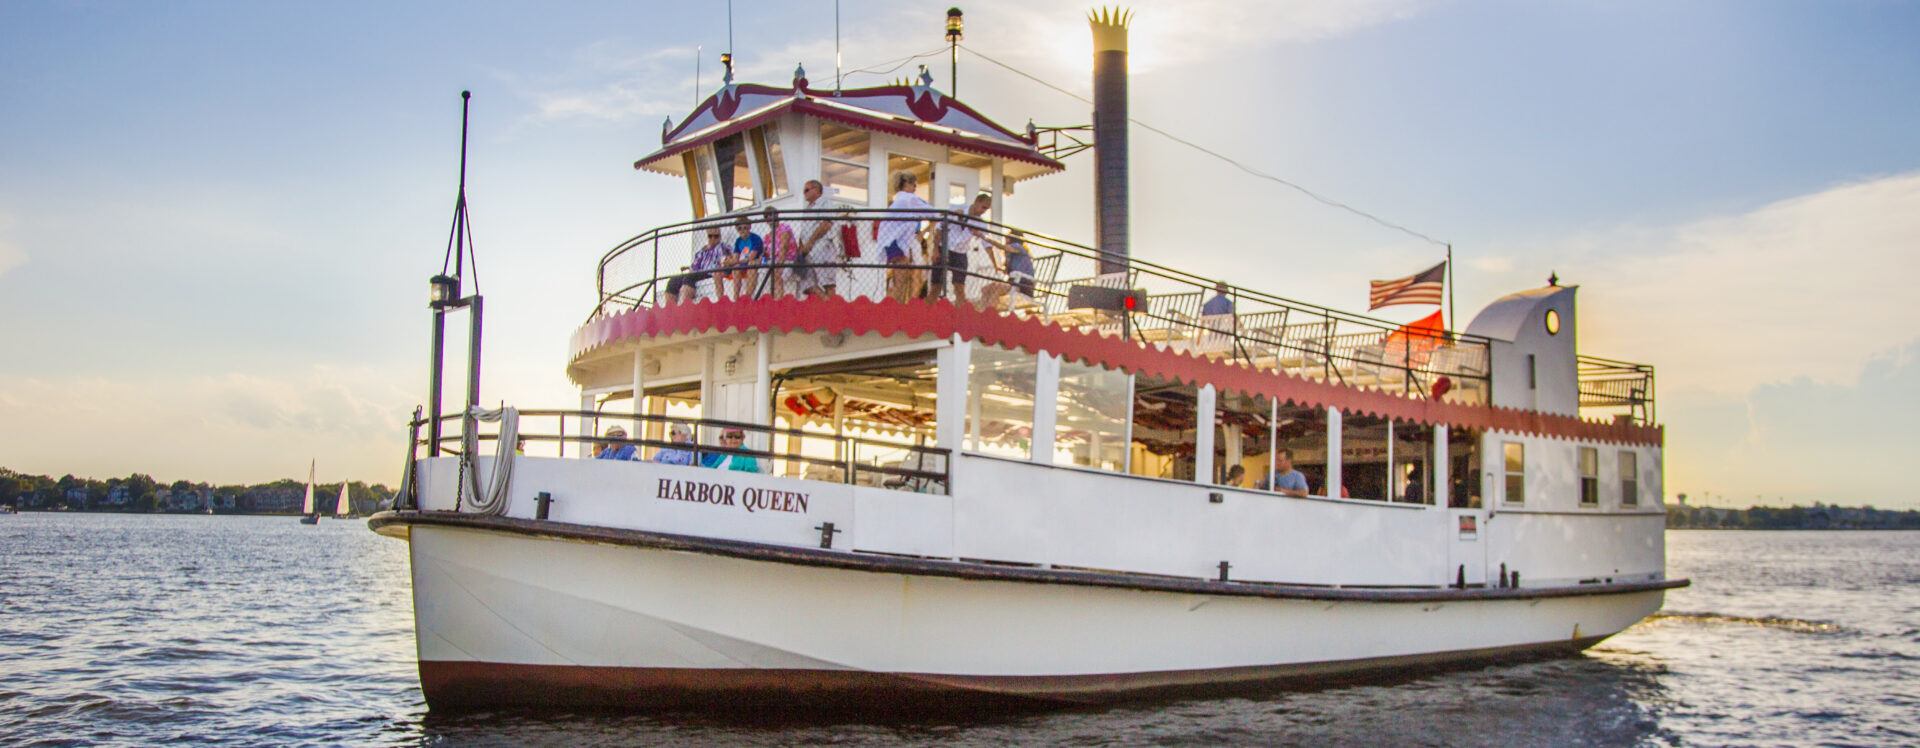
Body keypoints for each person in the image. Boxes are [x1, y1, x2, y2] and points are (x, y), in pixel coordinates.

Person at [878, 172, 936, 303]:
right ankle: (898, 307)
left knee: (900, 277)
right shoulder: (909, 199)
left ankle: (900, 304)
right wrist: (923, 232)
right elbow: (934, 213)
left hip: (894, 241)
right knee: (901, 278)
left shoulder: (899, 201)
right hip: (898, 242)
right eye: (913, 184)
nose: (915, 187)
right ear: (906, 184)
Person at [795, 179, 843, 297]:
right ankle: (827, 304)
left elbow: (826, 224)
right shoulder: (807, 208)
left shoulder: (825, 203)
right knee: (807, 284)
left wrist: (810, 242)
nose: (804, 193)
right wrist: (801, 246)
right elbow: (804, 229)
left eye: (806, 190)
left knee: (828, 283)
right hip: (808, 250)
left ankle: (830, 310)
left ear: (816, 190)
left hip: (822, 246)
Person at [669, 227, 728, 304]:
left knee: (690, 277)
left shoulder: (723, 248)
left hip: (710, 272)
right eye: (710, 236)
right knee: (673, 281)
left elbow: (727, 259)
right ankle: (671, 310)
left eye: (716, 236)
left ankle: (685, 304)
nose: (713, 238)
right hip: (698, 273)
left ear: (720, 237)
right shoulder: (701, 251)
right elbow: (694, 266)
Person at [724, 217, 765, 299]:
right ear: (736, 229)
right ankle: (736, 297)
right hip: (743, 263)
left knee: (751, 265)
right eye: (739, 228)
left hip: (756, 261)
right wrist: (730, 261)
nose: (742, 230)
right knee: (736, 268)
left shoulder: (755, 238)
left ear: (749, 227)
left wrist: (736, 261)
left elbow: (752, 256)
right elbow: (736, 257)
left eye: (745, 228)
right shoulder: (738, 241)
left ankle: (748, 296)